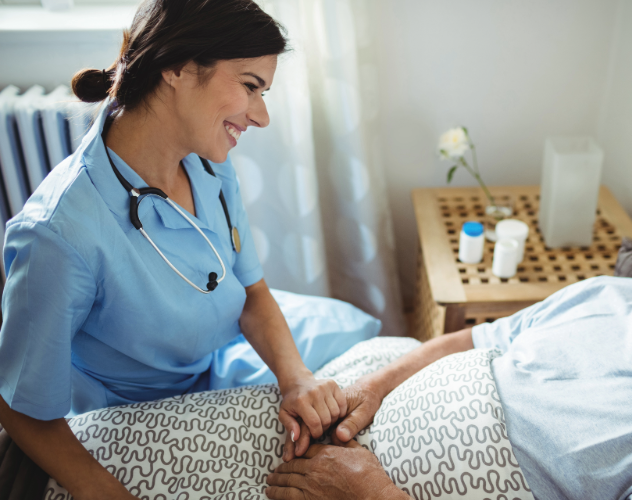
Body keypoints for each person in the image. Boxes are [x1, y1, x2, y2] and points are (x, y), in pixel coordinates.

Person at [0, 1, 375, 498]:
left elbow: (253, 293)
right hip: (138, 408)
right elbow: (21, 408)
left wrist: (296, 378)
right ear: (175, 67)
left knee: (362, 341)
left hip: (219, 355)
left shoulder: (209, 166)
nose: (261, 116)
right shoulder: (58, 236)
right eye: (249, 86)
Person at [266, 197, 632, 500]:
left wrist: (369, 494)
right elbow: (473, 338)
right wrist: (372, 387)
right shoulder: (620, 294)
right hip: (351, 418)